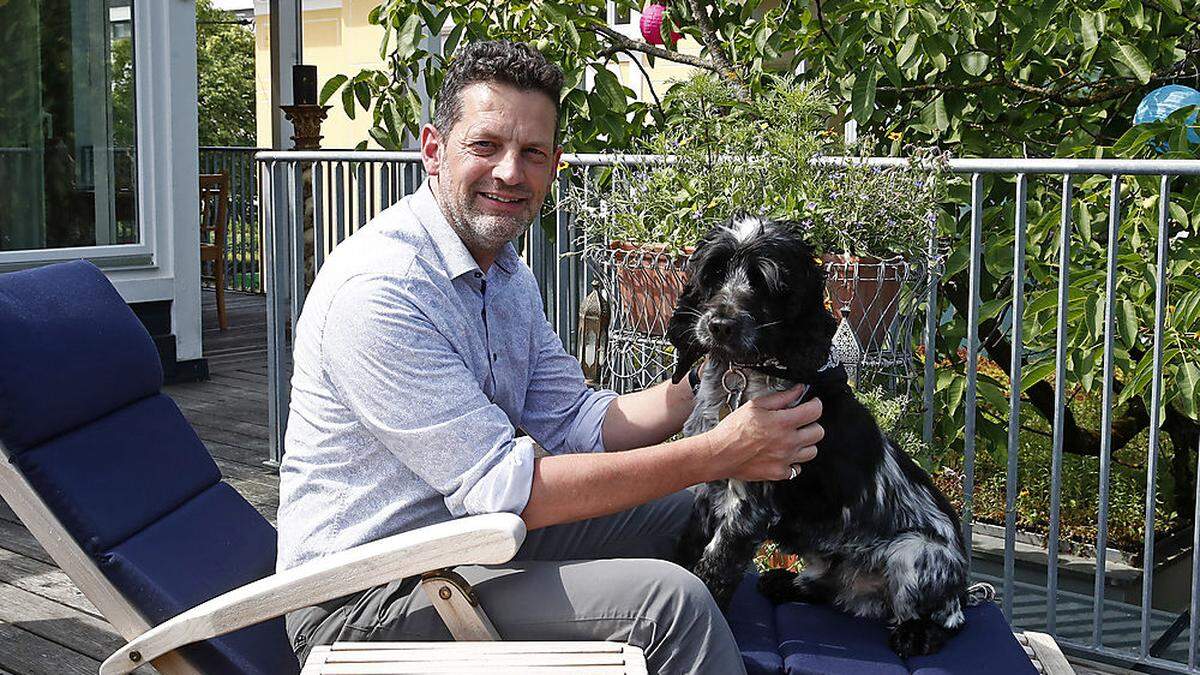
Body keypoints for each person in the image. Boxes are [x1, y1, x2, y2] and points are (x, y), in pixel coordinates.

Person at [276, 40, 824, 674]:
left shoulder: (504, 272)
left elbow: (577, 423)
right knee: (671, 603)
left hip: (462, 542)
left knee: (693, 514)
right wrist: (720, 450)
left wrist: (708, 384)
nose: (511, 172)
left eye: (532, 152)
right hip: (364, 597)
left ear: (555, 164)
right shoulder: (379, 293)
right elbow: (514, 493)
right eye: (486, 146)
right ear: (433, 150)